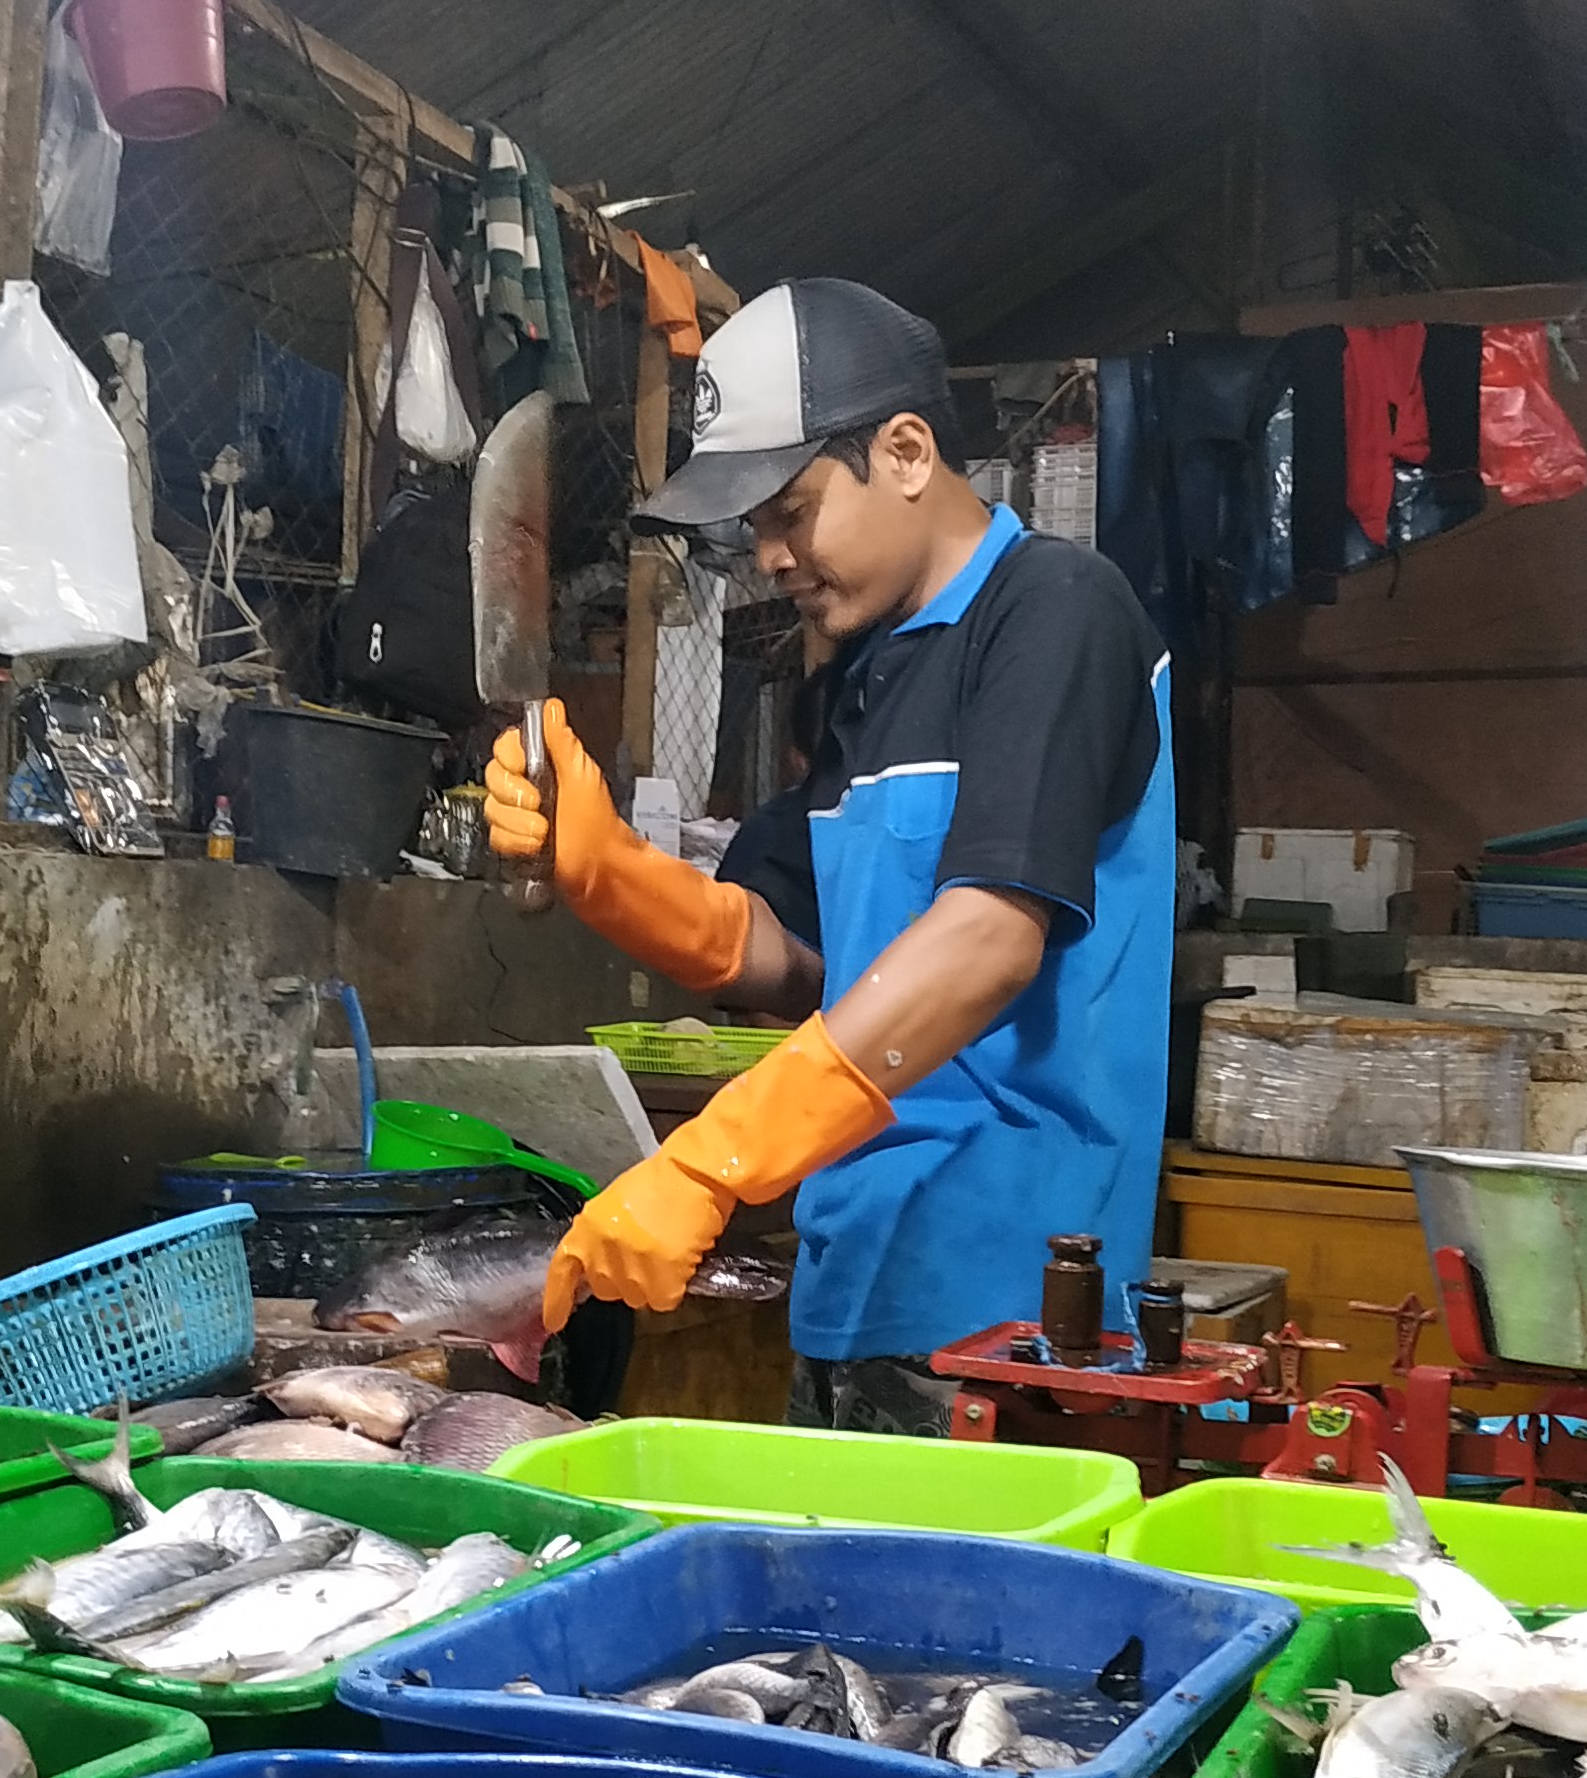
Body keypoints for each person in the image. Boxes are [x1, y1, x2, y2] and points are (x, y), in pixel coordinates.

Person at [487, 278, 1176, 1435]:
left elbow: (988, 942)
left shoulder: (1056, 612)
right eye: (751, 528)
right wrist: (608, 877)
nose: (768, 557)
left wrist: (711, 1164)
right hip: (851, 1276)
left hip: (1006, 1316)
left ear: (904, 451)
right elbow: (808, 966)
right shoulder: (863, 672)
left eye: (789, 510)